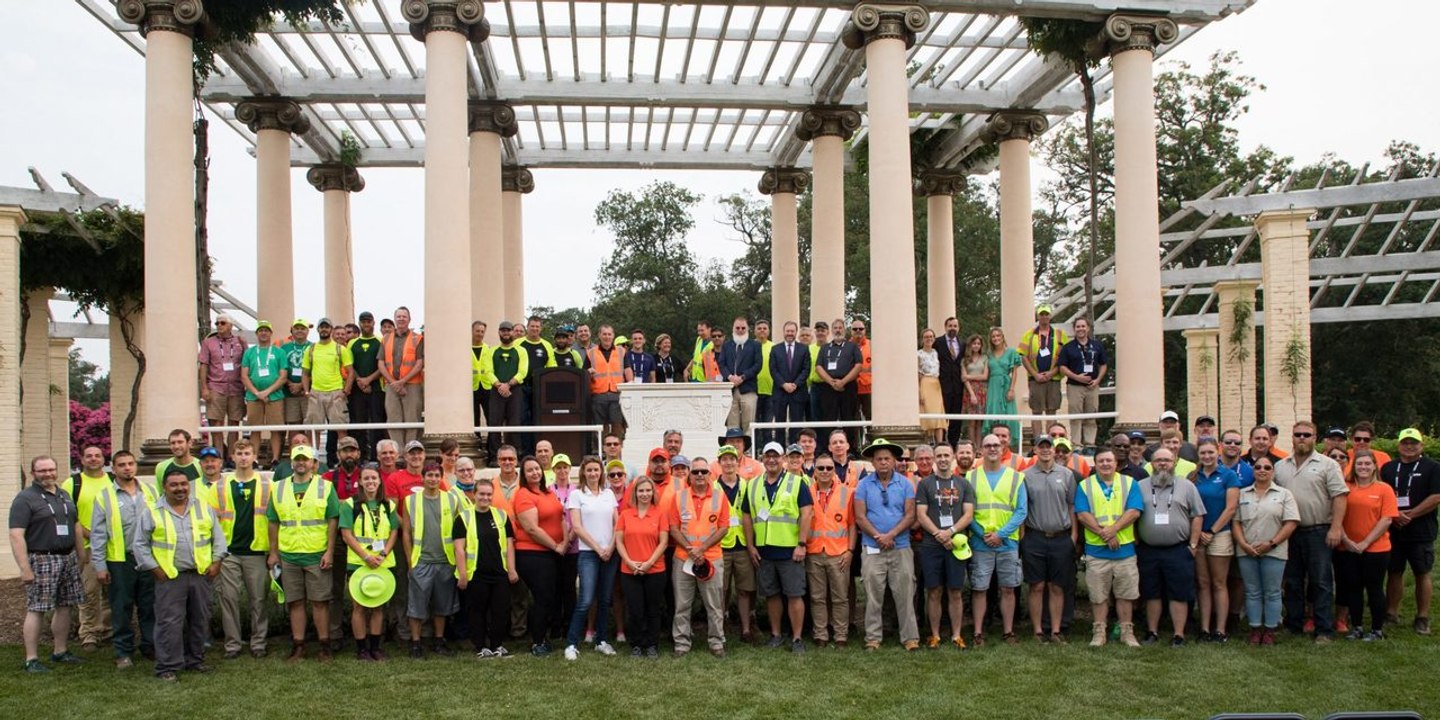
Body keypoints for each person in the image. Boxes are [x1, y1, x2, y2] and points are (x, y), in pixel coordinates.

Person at [134, 468, 227, 681]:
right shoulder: (152, 511)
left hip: (201, 575)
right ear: (165, 487)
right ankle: (167, 666)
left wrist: (217, 561)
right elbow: (139, 544)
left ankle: (195, 660)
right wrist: (154, 569)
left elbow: (218, 538)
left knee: (200, 619)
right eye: (174, 485)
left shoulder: (203, 508)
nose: (180, 489)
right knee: (169, 622)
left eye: (183, 484)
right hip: (169, 577)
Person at [1273, 420, 1348, 642]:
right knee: (1292, 580)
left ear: (1315, 438)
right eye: (1298, 435)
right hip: (1289, 531)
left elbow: (1340, 496)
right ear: (1292, 437)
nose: (1302, 438)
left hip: (1318, 530)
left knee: (1321, 581)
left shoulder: (1327, 464)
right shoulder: (1280, 466)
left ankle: (1324, 629)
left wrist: (1336, 528)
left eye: (1307, 434)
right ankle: (1294, 623)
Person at [10, 456, 86, 673]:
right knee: (37, 608)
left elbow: (76, 525)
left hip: (67, 557)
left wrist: (81, 555)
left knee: (65, 606)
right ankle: (31, 659)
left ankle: (60, 651)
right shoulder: (25, 499)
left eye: (51, 469)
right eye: (42, 470)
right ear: (34, 473)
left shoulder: (64, 494)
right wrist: (24, 567)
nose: (48, 474)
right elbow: (16, 535)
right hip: (42, 558)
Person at [266, 444, 341, 662]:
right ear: (292, 462)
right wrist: (273, 552)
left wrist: (329, 551)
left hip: (316, 554)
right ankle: (298, 646)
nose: (301, 463)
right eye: (297, 459)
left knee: (320, 602)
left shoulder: (325, 487)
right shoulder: (278, 488)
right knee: (295, 602)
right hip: (289, 554)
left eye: (305, 459)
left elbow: (332, 520)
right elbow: (273, 522)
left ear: (313, 464)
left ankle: (324, 646)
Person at [87, 450, 158, 669]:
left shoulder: (150, 491)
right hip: (120, 561)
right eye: (122, 465)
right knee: (121, 608)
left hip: (148, 558)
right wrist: (99, 565)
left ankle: (150, 646)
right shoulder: (104, 496)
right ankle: (123, 651)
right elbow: (98, 534)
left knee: (150, 606)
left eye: (130, 463)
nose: (127, 468)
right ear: (113, 468)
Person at [743, 442, 814, 653]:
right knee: (772, 595)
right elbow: (747, 516)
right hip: (764, 551)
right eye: (767, 456)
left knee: (794, 594)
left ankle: (797, 637)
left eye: (776, 456)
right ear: (762, 459)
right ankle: (776, 634)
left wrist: (801, 544)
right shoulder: (753, 484)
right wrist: (750, 546)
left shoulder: (796, 482)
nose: (772, 460)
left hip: (790, 550)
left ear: (783, 458)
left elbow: (807, 513)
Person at [854, 438, 919, 651]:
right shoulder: (863, 485)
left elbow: (910, 515)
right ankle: (873, 638)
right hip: (872, 547)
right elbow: (860, 517)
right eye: (879, 459)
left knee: (905, 593)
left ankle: (909, 638)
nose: (883, 462)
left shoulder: (906, 484)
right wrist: (879, 536)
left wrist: (891, 535)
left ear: (894, 461)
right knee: (873, 594)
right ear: (872, 462)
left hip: (900, 546)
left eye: (887, 459)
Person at [1135, 449, 1205, 646]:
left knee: (1179, 593)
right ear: (1151, 464)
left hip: (1178, 549)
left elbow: (1197, 515)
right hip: (1148, 549)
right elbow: (1132, 514)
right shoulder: (1140, 486)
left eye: (1167, 460)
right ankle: (1152, 632)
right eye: (1158, 460)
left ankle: (1178, 634)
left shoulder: (1187, 486)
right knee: (1151, 592)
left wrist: (1193, 543)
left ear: (1174, 462)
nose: (1163, 464)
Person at [210, 441, 273, 660]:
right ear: (232, 457)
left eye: (247, 453)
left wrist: (272, 550)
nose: (244, 457)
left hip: (256, 551)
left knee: (259, 600)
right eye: (239, 453)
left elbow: (274, 520)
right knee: (229, 599)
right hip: (229, 552)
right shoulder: (219, 486)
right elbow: (211, 522)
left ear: (254, 456)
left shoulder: (267, 485)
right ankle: (232, 645)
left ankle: (258, 643)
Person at [1075, 448, 1144, 647]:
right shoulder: (1085, 485)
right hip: (1097, 550)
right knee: (1098, 594)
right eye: (1101, 461)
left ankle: (1126, 632)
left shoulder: (1129, 483)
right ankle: (1099, 632)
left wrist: (1113, 530)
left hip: (1124, 550)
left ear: (1116, 463)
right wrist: (1104, 534)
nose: (1105, 464)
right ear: (1095, 464)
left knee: (1125, 593)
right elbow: (1082, 514)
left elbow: (1134, 511)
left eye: (1109, 461)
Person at [966, 433, 1028, 646]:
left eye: (996, 445)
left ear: (1003, 449)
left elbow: (1021, 511)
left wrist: (1000, 535)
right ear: (981, 450)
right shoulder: (971, 477)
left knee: (1008, 588)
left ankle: (1008, 631)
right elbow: (968, 513)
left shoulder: (1016, 477)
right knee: (979, 588)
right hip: (980, 542)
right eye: (988, 445)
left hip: (1007, 542)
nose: (992, 449)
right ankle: (977, 632)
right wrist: (983, 534)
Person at [668, 454, 731, 657]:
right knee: (682, 604)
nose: (700, 475)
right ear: (690, 475)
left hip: (711, 556)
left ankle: (716, 642)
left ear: (710, 474)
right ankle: (681, 643)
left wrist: (701, 549)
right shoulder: (679, 497)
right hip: (682, 557)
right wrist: (690, 549)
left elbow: (723, 528)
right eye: (695, 472)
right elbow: (673, 528)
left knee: (714, 604)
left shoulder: (720, 497)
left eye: (704, 471)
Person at [1232, 457, 1299, 645]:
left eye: (1267, 467)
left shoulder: (1284, 494)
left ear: (1273, 471)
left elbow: (1291, 522)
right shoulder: (1242, 494)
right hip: (1247, 550)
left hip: (1274, 551)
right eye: (1258, 467)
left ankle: (1269, 629)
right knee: (1252, 591)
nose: (1262, 470)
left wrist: (1272, 543)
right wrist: (1244, 544)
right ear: (1253, 471)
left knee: (1272, 592)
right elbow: (1235, 522)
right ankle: (1255, 628)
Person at [915, 443, 975, 648]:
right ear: (933, 458)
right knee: (934, 590)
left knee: (955, 590)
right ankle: (935, 635)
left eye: (946, 455)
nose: (942, 459)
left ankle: (956, 634)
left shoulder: (963, 484)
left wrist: (950, 532)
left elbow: (968, 514)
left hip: (956, 545)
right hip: (932, 545)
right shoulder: (925, 484)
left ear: (953, 458)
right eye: (938, 455)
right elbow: (921, 514)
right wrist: (938, 534)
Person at [1334, 449, 1398, 641]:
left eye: (1367, 464)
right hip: (1348, 547)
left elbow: (1386, 519)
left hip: (1376, 549)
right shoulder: (1346, 488)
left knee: (1374, 588)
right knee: (1353, 587)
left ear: (1374, 467)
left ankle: (1377, 629)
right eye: (1359, 464)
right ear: (1354, 466)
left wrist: (1365, 543)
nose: (1363, 467)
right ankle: (1357, 627)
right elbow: (1337, 516)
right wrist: (1347, 540)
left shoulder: (1384, 489)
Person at [400, 463, 461, 657]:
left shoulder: (452, 500)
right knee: (416, 606)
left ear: (441, 478)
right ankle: (416, 643)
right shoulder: (411, 501)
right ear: (423, 478)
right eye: (429, 475)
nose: (433, 479)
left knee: (442, 606)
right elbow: (407, 533)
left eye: (436, 475)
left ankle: (438, 641)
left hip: (445, 560)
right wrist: (411, 561)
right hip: (422, 560)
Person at [1382, 427, 1439, 635]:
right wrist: (1395, 515)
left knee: (1421, 572)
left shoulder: (1432, 467)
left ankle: (1422, 617)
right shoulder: (1388, 468)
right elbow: (1383, 494)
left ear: (1421, 445)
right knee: (1394, 571)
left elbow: (1436, 496)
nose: (1409, 446)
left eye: (1413, 443)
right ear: (1399, 445)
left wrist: (1411, 514)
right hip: (1394, 529)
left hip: (1421, 530)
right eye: (1405, 442)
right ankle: (1391, 613)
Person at [1020, 435, 1076, 643]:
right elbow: (1022, 509)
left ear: (1054, 450)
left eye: (1048, 446)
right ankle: (1037, 631)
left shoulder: (1067, 475)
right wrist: (1023, 539)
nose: (1045, 450)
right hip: (1035, 537)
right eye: (1041, 446)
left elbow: (1072, 506)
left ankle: (1055, 630)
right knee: (1037, 586)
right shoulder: (1025, 476)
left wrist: (1074, 536)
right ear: (1035, 450)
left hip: (1061, 538)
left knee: (1057, 586)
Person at [338, 463, 397, 661]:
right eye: (366, 478)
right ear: (360, 482)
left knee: (378, 605)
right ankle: (362, 648)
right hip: (358, 563)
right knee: (359, 607)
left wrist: (383, 554)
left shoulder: (388, 505)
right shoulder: (349, 505)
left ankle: (375, 647)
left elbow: (394, 532)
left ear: (380, 481)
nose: (370, 482)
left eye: (374, 478)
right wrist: (366, 556)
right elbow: (346, 535)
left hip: (382, 563)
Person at [564, 457, 620, 660]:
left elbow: (618, 523)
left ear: (601, 472)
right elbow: (577, 527)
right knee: (586, 600)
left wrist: (611, 547)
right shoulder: (577, 495)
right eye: (589, 470)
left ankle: (601, 640)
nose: (593, 473)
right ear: (583, 473)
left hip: (609, 554)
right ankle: (571, 643)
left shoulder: (608, 494)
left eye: (596, 470)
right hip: (589, 554)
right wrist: (598, 548)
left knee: (605, 600)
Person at [456, 477, 518, 659]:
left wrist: (512, 569)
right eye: (481, 494)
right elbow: (459, 548)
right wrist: (462, 574)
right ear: (474, 495)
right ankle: (481, 646)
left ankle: (497, 645)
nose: (485, 497)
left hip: (499, 572)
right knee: (477, 611)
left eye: (489, 494)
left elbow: (509, 545)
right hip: (476, 573)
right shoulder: (463, 517)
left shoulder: (501, 516)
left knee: (501, 610)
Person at [60, 445, 113, 652]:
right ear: (81, 460)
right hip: (88, 546)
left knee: (111, 591)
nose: (93, 459)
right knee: (89, 592)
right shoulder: (73, 483)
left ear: (103, 459)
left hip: (113, 545)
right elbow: (67, 515)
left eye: (97, 456)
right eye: (89, 456)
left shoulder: (112, 480)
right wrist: (87, 533)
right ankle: (89, 633)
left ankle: (108, 629)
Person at [513, 456, 568, 656]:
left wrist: (565, 542)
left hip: (551, 553)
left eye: (537, 469)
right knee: (542, 597)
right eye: (530, 470)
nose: (535, 473)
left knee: (549, 597)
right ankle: (537, 642)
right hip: (532, 554)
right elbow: (531, 528)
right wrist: (555, 546)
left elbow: (561, 516)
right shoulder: (523, 495)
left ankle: (543, 637)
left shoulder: (547, 492)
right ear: (524, 475)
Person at [1192, 438, 1241, 643]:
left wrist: (1212, 530)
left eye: (1211, 452)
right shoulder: (1193, 477)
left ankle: (1220, 630)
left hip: (1219, 534)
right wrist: (1198, 534)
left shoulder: (1228, 476)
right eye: (1203, 453)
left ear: (1217, 452)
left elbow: (1231, 508)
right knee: (1203, 583)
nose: (1207, 456)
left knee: (1219, 583)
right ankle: (1204, 628)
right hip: (1197, 535)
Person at [804, 452, 854, 647]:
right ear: (814, 471)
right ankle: (821, 634)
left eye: (829, 468)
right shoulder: (806, 491)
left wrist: (850, 551)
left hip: (838, 553)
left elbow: (851, 525)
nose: (825, 472)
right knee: (817, 597)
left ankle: (841, 635)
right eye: (820, 468)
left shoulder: (846, 492)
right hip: (814, 551)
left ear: (834, 470)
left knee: (840, 597)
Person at [616, 477, 668, 657]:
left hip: (655, 569)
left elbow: (663, 542)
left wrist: (648, 563)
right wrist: (630, 562)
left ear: (653, 493)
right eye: (641, 491)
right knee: (635, 609)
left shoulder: (660, 513)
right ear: (634, 493)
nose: (644, 494)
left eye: (648, 490)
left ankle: (652, 644)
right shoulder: (625, 515)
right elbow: (619, 542)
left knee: (653, 609)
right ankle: (637, 644)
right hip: (629, 570)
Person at [714, 445, 757, 641]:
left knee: (744, 589)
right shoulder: (713, 487)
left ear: (737, 462)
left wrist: (751, 544)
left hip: (742, 544)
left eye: (732, 459)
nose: (729, 463)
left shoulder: (748, 486)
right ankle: (720, 627)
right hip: (720, 545)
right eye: (725, 459)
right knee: (721, 590)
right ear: (720, 463)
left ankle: (746, 629)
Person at [199, 314, 248, 462]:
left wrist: (244, 345)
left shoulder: (239, 342)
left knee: (234, 422)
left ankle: (232, 457)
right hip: (216, 386)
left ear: (230, 326)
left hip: (236, 387)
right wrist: (204, 388)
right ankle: (218, 456)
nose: (219, 325)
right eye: (217, 323)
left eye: (223, 323)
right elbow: (204, 365)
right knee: (216, 423)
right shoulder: (208, 342)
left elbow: (247, 363)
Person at [1017, 305, 1068, 441]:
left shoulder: (1059, 334)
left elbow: (1064, 357)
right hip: (1035, 379)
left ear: (1050, 316)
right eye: (1042, 314)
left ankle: (1052, 440)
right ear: (1038, 316)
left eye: (1046, 314)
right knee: (1036, 411)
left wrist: (1052, 373)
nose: (1044, 317)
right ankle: (1038, 440)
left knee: (1052, 410)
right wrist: (1035, 374)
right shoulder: (1029, 334)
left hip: (1054, 378)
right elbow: (1022, 356)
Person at [240, 321, 287, 465]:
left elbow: (283, 376)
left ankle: (275, 459)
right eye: (261, 330)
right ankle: (253, 459)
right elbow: (244, 375)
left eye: (266, 330)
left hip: (275, 396)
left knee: (275, 429)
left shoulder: (279, 352)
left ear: (271, 333)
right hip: (253, 397)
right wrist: (257, 393)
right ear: (257, 333)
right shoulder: (250, 352)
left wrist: (267, 391)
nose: (264, 333)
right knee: (255, 429)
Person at [1056, 317, 1107, 449]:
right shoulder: (1068, 347)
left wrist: (1097, 380)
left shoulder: (1097, 346)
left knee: (1091, 415)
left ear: (1088, 328)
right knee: (1075, 416)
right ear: (1074, 329)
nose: (1081, 329)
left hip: (1092, 386)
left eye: (1083, 326)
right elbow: (1062, 367)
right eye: (1078, 326)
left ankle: (1090, 444)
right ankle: (1077, 445)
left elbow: (1103, 364)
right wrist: (1077, 377)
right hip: (1074, 386)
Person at [378, 307, 424, 446]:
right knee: (393, 420)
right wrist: (394, 383)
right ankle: (397, 453)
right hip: (391, 386)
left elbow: (419, 363)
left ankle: (410, 450)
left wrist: (403, 381)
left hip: (412, 385)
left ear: (409, 319)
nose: (401, 319)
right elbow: (381, 363)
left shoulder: (418, 338)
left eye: (404, 316)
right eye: (398, 316)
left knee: (412, 420)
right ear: (395, 319)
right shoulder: (385, 339)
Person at [815, 322, 863, 448]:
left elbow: (858, 366)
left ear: (844, 330)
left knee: (849, 419)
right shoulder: (825, 348)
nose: (838, 330)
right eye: (835, 328)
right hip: (828, 387)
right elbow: (818, 367)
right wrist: (831, 382)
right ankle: (828, 448)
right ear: (831, 330)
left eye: (840, 328)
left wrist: (843, 381)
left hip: (848, 386)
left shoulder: (852, 347)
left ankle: (851, 449)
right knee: (828, 419)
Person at [348, 312, 386, 462]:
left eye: (368, 321)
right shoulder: (352, 343)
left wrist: (369, 380)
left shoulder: (380, 341)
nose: (366, 324)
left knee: (377, 423)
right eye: (363, 322)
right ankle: (361, 456)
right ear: (359, 323)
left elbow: (382, 364)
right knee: (359, 423)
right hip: (358, 390)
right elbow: (350, 365)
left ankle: (376, 457)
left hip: (377, 389)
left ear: (373, 323)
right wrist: (360, 381)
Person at [719, 317, 763, 435]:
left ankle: (748, 451)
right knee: (732, 424)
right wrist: (729, 377)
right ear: (733, 329)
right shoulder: (727, 345)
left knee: (748, 423)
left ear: (748, 329)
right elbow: (721, 363)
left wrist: (742, 377)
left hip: (748, 389)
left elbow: (758, 365)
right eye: (737, 328)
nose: (740, 330)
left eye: (743, 328)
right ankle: (732, 450)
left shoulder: (755, 345)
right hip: (730, 390)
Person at [769, 321, 810, 444]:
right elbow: (773, 369)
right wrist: (783, 384)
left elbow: (806, 369)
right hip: (780, 391)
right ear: (783, 332)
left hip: (798, 391)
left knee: (796, 423)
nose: (790, 334)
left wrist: (795, 384)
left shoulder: (804, 349)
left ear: (796, 332)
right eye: (788, 331)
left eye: (792, 331)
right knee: (780, 423)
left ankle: (794, 449)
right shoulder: (775, 349)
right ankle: (780, 449)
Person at [984, 328, 1022, 451]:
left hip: (1006, 385)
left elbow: (1014, 372)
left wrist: (1011, 389)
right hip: (993, 386)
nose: (996, 338)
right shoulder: (988, 355)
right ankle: (993, 442)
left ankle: (1009, 444)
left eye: (998, 336)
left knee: (1009, 413)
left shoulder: (1011, 352)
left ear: (1002, 337)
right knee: (993, 412)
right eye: (993, 336)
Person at [587, 325, 628, 441]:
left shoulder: (621, 351)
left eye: (609, 334)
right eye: (604, 334)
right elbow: (585, 372)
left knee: (617, 424)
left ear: (613, 336)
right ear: (599, 335)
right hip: (598, 394)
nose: (607, 337)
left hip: (617, 393)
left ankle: (618, 450)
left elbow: (627, 369)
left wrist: (631, 385)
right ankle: (600, 452)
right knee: (600, 426)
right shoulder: (591, 353)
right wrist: (588, 372)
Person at [935, 317, 966, 446]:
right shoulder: (937, 343)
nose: (952, 328)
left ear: (958, 328)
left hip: (958, 386)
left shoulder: (963, 344)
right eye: (950, 326)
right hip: (942, 385)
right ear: (945, 327)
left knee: (956, 417)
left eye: (955, 326)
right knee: (942, 416)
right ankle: (940, 444)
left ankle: (953, 444)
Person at [281, 320, 313, 443]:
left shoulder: (313, 347)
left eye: (302, 328)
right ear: (292, 330)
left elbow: (317, 371)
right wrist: (290, 384)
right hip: (289, 393)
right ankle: (293, 456)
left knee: (309, 425)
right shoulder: (284, 348)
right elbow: (281, 369)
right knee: (293, 425)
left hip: (308, 394)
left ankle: (310, 456)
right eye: (297, 328)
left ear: (307, 331)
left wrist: (301, 385)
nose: (299, 331)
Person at [917, 329, 946, 445]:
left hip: (936, 384)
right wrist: (919, 392)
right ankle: (926, 444)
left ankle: (940, 444)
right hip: (925, 383)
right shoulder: (919, 354)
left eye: (931, 336)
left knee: (939, 414)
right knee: (926, 413)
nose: (929, 339)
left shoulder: (936, 352)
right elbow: (917, 374)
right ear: (922, 339)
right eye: (926, 337)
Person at [847, 320, 874, 422]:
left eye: (861, 329)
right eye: (855, 329)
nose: (858, 331)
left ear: (865, 330)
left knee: (870, 418)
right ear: (851, 331)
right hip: (851, 387)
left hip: (868, 388)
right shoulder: (846, 346)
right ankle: (855, 438)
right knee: (853, 419)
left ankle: (871, 438)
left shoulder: (872, 345)